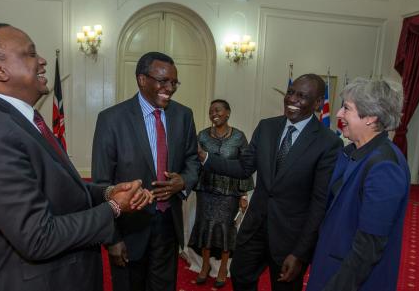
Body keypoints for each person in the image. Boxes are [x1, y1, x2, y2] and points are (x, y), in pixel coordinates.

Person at [0, 23, 153, 291]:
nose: (42, 61)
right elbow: (37, 237)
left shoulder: (19, 119)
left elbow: (55, 187)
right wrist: (115, 208)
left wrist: (107, 193)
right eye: (29, 54)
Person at [198, 74, 343, 291]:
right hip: (255, 228)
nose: (292, 99)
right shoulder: (267, 127)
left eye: (302, 96)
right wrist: (206, 158)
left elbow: (319, 202)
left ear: (317, 103)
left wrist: (301, 253)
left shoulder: (328, 142)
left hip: (290, 237)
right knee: (240, 276)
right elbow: (244, 168)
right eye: (291, 92)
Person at [92, 51, 200, 291]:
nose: (170, 88)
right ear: (142, 79)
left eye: (174, 82)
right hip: (129, 229)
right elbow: (101, 184)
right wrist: (112, 239)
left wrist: (183, 181)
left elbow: (193, 159)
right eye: (163, 81)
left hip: (168, 226)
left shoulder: (184, 116)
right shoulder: (111, 119)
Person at [306, 78, 410, 291]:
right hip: (331, 266)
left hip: (349, 280)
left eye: (346, 108)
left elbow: (369, 246)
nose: (338, 114)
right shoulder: (354, 152)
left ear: (371, 117)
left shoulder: (385, 167)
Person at [188, 99, 254, 288]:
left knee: (226, 231)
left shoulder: (239, 137)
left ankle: (224, 268)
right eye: (210, 111)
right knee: (205, 228)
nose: (213, 113)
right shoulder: (202, 136)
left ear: (227, 113)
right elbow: (193, 163)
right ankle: (205, 265)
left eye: (217, 110)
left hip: (229, 193)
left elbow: (246, 166)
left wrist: (243, 195)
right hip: (206, 191)